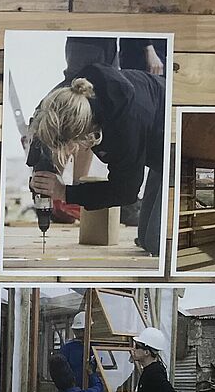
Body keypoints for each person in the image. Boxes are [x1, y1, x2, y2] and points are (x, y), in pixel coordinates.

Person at [26, 40, 167, 256]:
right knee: (145, 240)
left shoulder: (124, 128)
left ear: (83, 136)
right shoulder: (76, 92)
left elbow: (125, 191)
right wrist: (39, 162)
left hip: (174, 147)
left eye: (67, 148)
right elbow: (46, 117)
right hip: (151, 131)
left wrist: (64, 192)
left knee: (156, 243)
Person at [61, 311, 87, 385]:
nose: (80, 333)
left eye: (82, 330)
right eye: (78, 330)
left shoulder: (93, 347)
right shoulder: (67, 348)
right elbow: (61, 372)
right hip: (73, 387)